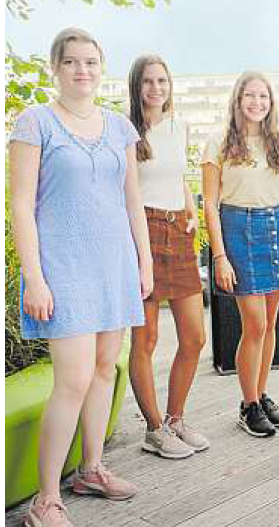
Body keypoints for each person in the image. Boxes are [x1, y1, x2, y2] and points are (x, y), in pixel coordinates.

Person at [10, 27, 150, 527]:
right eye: (72, 62)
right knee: (71, 380)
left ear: (101, 65)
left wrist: (145, 261)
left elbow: (132, 200)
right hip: (63, 268)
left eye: (91, 61)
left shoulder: (119, 128)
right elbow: (22, 205)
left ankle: (92, 469)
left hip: (114, 264)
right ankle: (44, 501)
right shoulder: (36, 123)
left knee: (105, 369)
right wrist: (35, 277)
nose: (83, 70)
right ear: (56, 67)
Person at [201, 71, 279, 438]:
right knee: (255, 324)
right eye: (250, 96)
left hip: (278, 227)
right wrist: (219, 256)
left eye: (263, 97)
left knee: (272, 322)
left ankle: (260, 395)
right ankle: (247, 406)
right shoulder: (218, 142)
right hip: (238, 228)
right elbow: (211, 206)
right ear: (237, 99)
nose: (257, 103)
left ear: (271, 102)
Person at [127, 54, 208, 459]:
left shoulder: (179, 127)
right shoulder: (125, 130)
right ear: (136, 86)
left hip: (178, 230)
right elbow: (126, 190)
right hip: (141, 230)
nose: (156, 88)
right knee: (147, 337)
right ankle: (154, 428)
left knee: (195, 336)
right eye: (148, 81)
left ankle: (176, 419)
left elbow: (178, 176)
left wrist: (191, 212)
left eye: (162, 80)